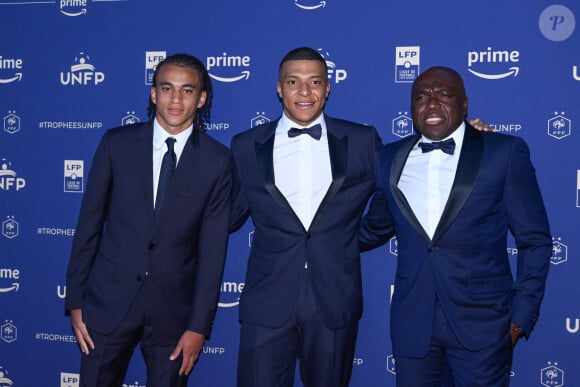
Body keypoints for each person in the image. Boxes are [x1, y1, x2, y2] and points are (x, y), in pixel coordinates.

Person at [359, 66, 552, 386]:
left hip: (483, 326)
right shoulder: (390, 157)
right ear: (411, 108)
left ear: (465, 105)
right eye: (421, 97)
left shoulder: (501, 153)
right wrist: (313, 236)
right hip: (413, 327)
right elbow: (376, 227)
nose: (431, 103)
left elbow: (535, 240)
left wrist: (520, 317)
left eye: (444, 94)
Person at [65, 53, 233, 386]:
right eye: (167, 88)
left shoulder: (218, 161)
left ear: (201, 99)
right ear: (153, 93)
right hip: (107, 305)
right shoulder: (117, 144)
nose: (175, 99)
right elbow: (88, 225)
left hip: (174, 314)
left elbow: (213, 251)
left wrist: (199, 325)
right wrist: (75, 300)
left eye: (187, 90)